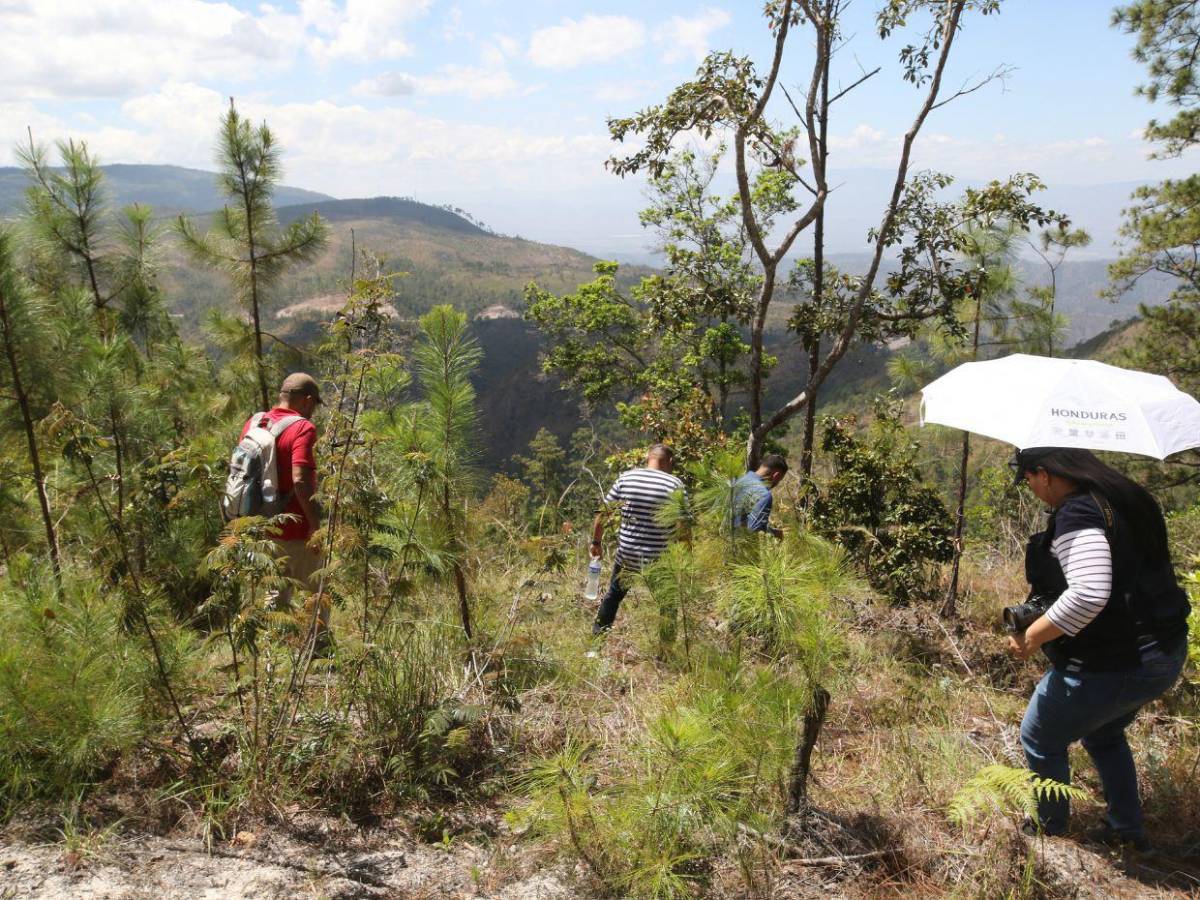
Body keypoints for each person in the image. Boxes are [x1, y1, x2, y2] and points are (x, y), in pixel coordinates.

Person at [1008, 447, 1190, 851]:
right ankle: (1125, 830)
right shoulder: (1125, 497)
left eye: (1030, 479)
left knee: (1039, 736)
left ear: (1045, 474)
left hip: (1119, 660)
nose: (1033, 489)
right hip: (1163, 649)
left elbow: (1089, 594)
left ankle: (1047, 833)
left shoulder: (1078, 513)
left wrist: (1034, 636)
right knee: (1105, 733)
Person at [240, 373, 326, 640]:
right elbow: (300, 479)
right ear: (307, 400)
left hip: (262, 525)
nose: (313, 412)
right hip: (296, 528)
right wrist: (314, 524)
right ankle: (318, 647)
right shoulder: (303, 428)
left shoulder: (254, 423)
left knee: (275, 591)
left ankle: (272, 648)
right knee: (318, 590)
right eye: (313, 405)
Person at [589, 444, 686, 635]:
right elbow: (683, 528)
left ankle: (595, 643)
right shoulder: (675, 484)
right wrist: (683, 556)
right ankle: (666, 652)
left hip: (628, 555)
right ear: (670, 462)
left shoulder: (626, 478)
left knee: (613, 596)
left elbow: (603, 513)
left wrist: (596, 543)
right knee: (667, 604)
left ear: (647, 458)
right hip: (660, 558)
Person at [732, 454, 788, 537]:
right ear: (776, 476)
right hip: (739, 547)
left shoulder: (735, 482)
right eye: (779, 480)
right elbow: (755, 531)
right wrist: (774, 534)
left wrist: (773, 531)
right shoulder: (764, 495)